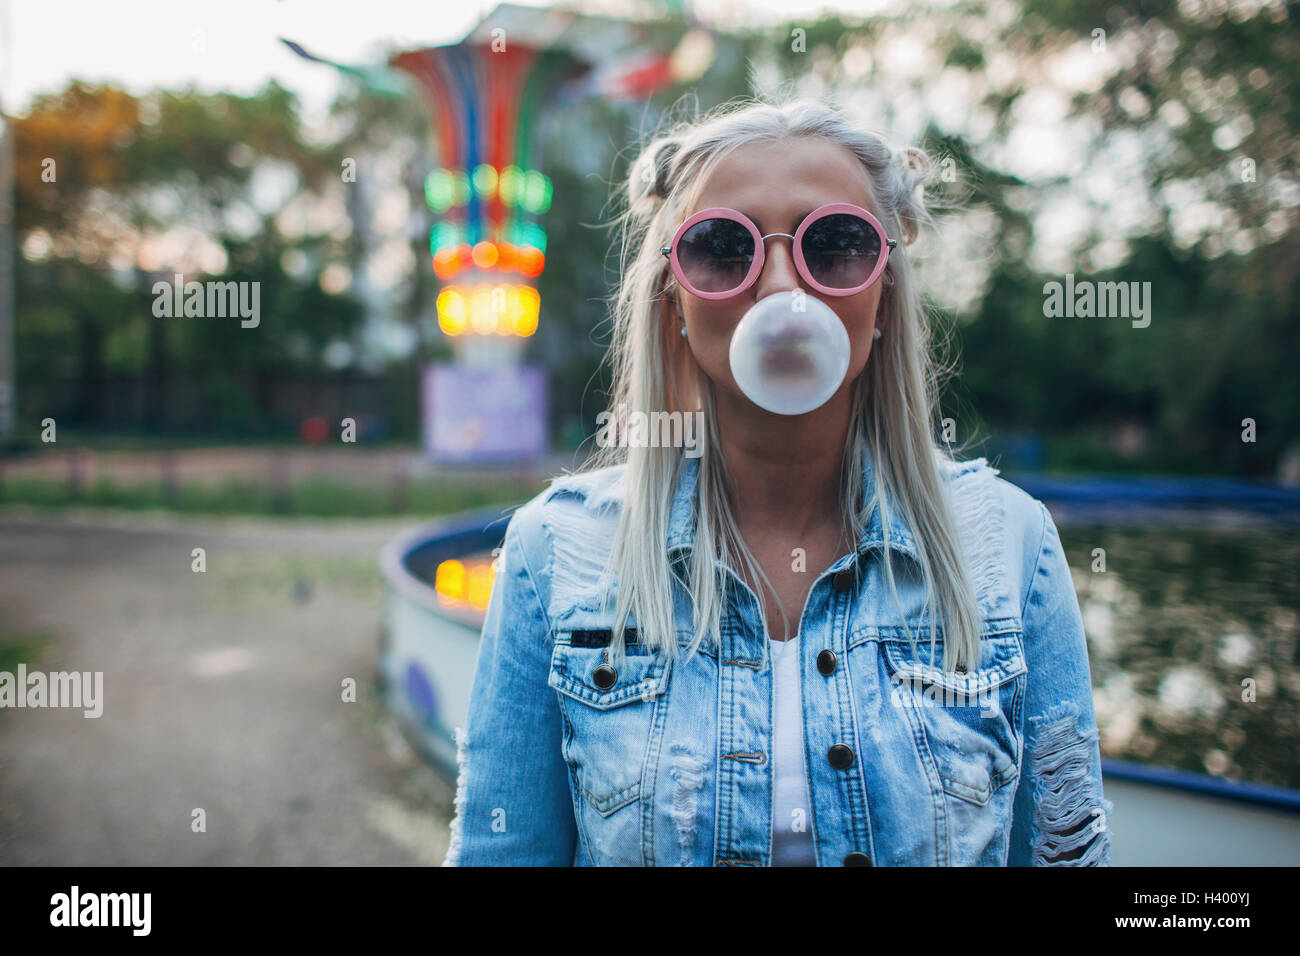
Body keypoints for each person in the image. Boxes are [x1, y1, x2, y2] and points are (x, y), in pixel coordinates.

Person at [442, 95, 1113, 866]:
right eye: (725, 249)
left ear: (885, 291)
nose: (782, 286)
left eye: (834, 244)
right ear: (675, 303)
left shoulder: (1010, 544)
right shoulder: (552, 554)